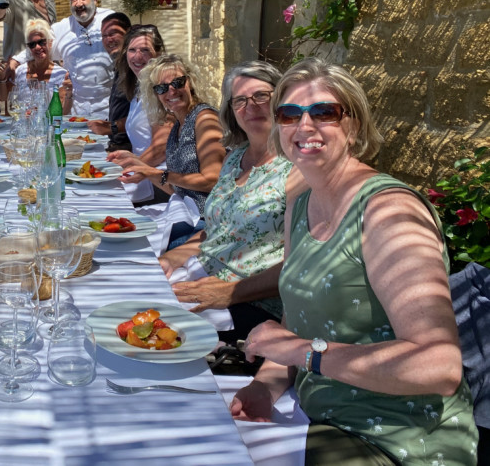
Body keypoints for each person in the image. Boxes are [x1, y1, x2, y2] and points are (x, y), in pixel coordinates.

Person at [232, 58, 477, 465]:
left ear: (355, 125)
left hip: (398, 438)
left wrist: (305, 353)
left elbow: (439, 366)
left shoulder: (388, 212)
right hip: (317, 420)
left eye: (324, 112)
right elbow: (300, 318)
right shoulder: (302, 203)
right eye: (289, 114)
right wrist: (267, 384)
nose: (304, 127)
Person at [158, 61, 304, 341]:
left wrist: (228, 293)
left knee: (153, 335)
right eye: (240, 100)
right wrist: (171, 258)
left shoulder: (297, 168)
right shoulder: (235, 158)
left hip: (252, 303)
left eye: (261, 96)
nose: (250, 106)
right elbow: (216, 230)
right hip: (202, 277)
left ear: (281, 100)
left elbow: (299, 264)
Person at [112, 55, 225, 238]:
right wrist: (144, 169)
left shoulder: (205, 119)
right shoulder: (177, 123)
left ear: (191, 82)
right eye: (162, 88)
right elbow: (177, 188)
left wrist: (155, 173)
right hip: (183, 213)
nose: (171, 91)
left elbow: (213, 180)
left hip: (206, 223)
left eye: (178, 82)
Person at [106, 25, 170, 204]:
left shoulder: (163, 90)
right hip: (142, 178)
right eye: (132, 50)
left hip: (158, 186)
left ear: (158, 53)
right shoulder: (140, 88)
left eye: (145, 50)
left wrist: (128, 169)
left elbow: (160, 149)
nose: (137, 56)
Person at [48, 0, 115, 117]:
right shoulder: (63, 27)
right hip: (76, 109)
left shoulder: (110, 19)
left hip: (108, 106)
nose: (78, 4)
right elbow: (39, 45)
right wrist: (16, 61)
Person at [0, 19, 73, 113]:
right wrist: (1, 77)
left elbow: (62, 112)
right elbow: (3, 98)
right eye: (32, 44)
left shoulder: (60, 74)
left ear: (50, 43)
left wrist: (69, 93)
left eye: (42, 42)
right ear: (28, 48)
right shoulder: (20, 71)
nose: (37, 47)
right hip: (23, 125)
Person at [88, 12, 132, 150]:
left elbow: (145, 117)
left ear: (128, 34)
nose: (108, 40)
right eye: (104, 36)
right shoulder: (120, 66)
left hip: (130, 149)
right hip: (116, 145)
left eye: (113, 33)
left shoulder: (134, 69)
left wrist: (111, 127)